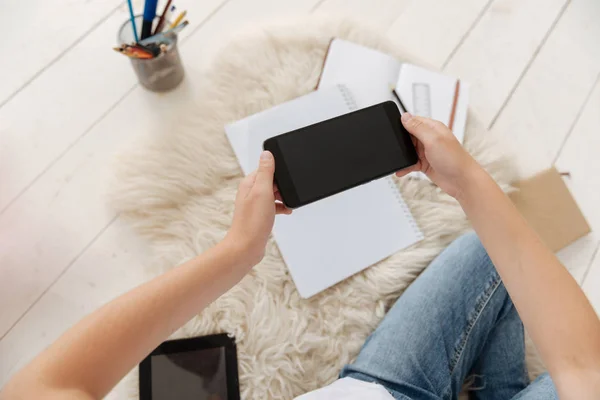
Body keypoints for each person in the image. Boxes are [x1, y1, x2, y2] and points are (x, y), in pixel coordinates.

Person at [2, 113, 600, 400]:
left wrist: (239, 254)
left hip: (379, 389)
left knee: (488, 246)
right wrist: (469, 181)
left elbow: (54, 381)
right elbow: (585, 373)